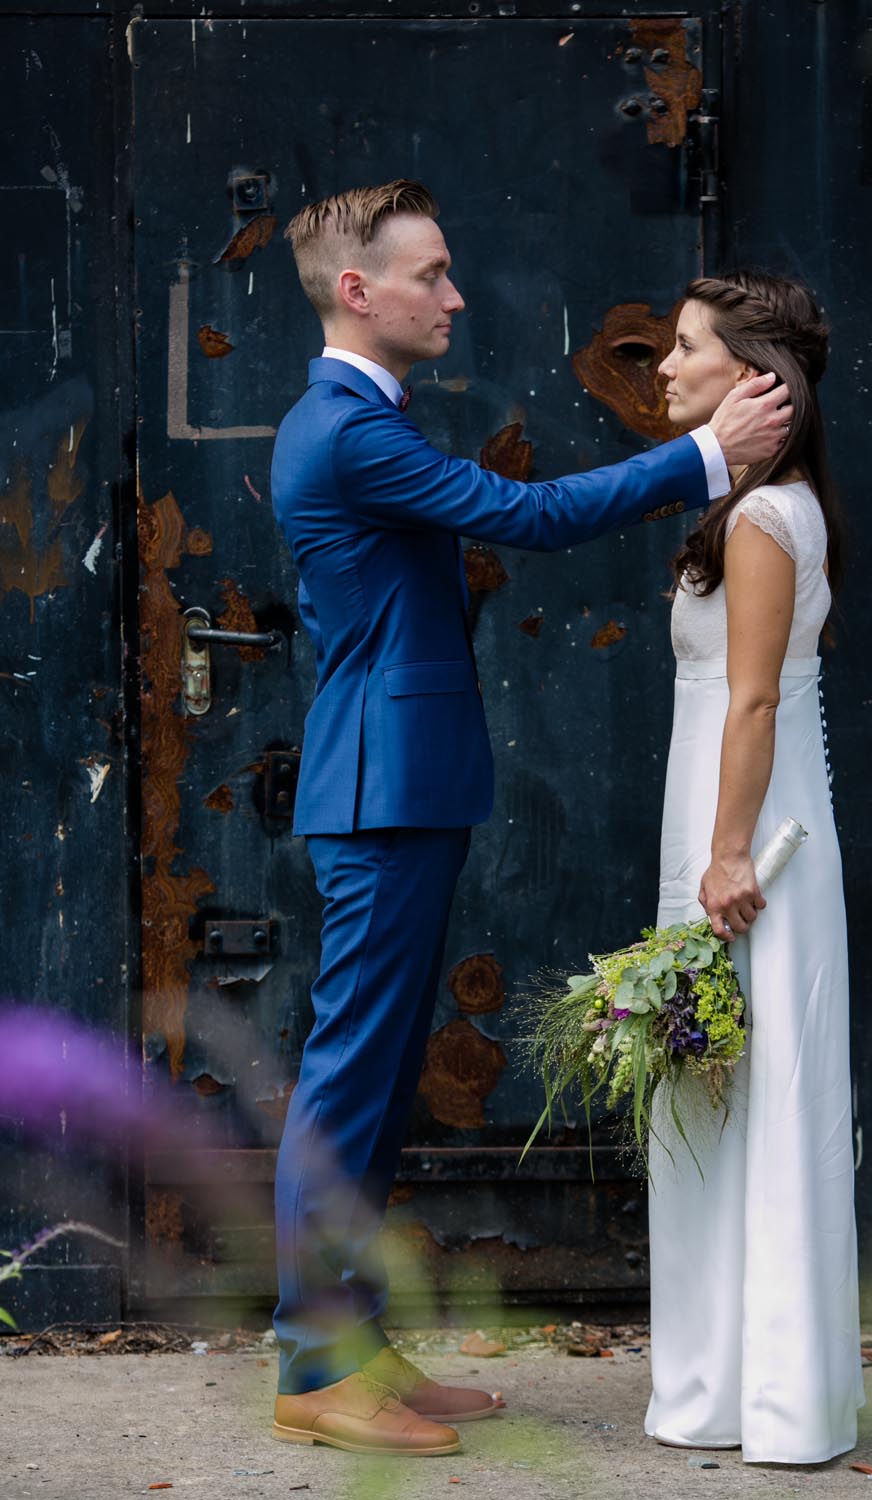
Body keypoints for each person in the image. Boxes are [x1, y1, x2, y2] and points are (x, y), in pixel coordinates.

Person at [268, 179, 792, 1459]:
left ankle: (352, 1342)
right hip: (378, 792)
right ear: (358, 290)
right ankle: (309, 1363)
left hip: (401, 784)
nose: (453, 295)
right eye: (430, 274)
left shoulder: (360, 418)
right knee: (350, 1083)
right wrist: (706, 459)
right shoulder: (345, 429)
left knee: (381, 1086)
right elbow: (527, 517)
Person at [645, 271, 863, 1464]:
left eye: (687, 349)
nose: (665, 368)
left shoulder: (768, 521)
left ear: (754, 382)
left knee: (756, 1091)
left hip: (756, 844)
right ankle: (718, 1388)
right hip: (718, 828)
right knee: (708, 1094)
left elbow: (757, 698)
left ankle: (773, 1399)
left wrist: (727, 856)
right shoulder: (744, 508)